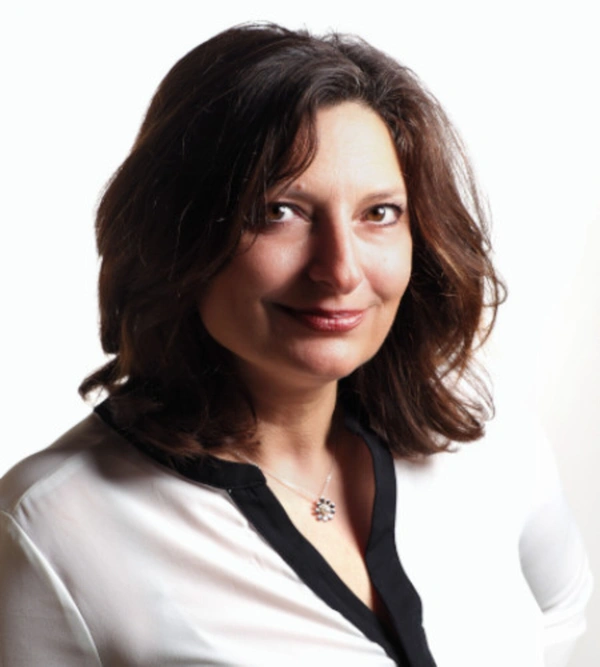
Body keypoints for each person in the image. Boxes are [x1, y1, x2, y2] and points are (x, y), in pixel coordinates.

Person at [0, 23, 592, 667]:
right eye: (279, 211)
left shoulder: (484, 429)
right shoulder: (52, 526)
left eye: (378, 213)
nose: (340, 271)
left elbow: (564, 614)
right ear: (177, 233)